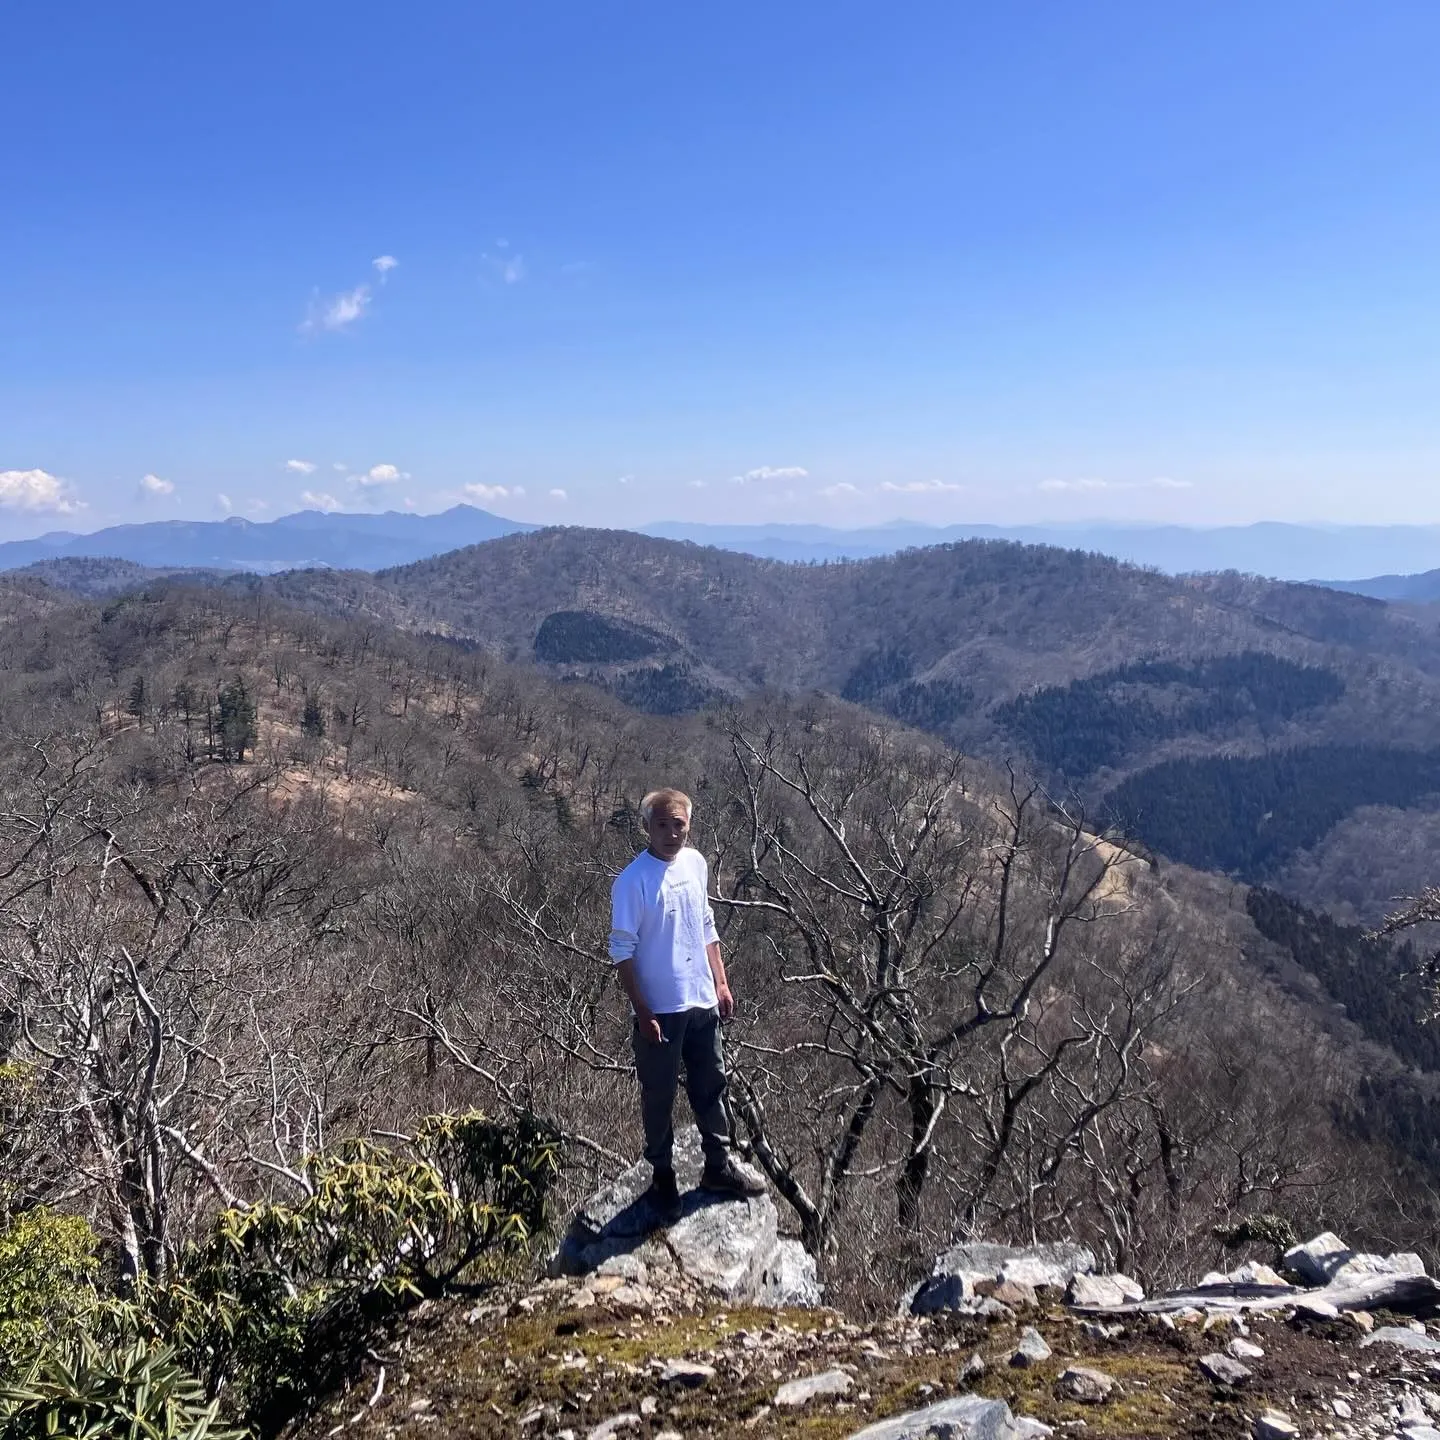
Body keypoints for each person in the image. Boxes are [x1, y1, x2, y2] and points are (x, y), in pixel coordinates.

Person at [609, 786, 766, 1218]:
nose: (671, 832)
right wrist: (642, 1011)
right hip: (660, 1008)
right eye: (661, 824)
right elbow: (621, 949)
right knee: (658, 1095)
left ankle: (718, 1164)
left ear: (689, 824)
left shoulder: (696, 864)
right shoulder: (632, 881)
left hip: (701, 1001)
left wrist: (721, 981)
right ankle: (662, 1179)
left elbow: (706, 922)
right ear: (646, 827)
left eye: (678, 823)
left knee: (712, 1084)